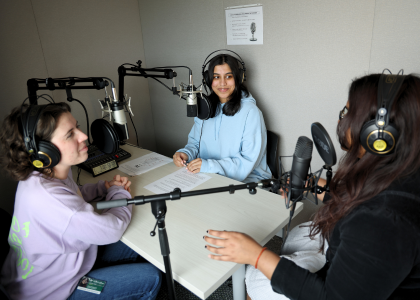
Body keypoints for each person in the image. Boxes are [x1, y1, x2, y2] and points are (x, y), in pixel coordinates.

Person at [203, 73, 420, 299]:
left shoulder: (384, 223)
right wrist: (312, 187)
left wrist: (255, 255)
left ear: (376, 135)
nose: (341, 117)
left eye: (348, 111)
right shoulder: (406, 164)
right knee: (299, 233)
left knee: (256, 278)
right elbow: (363, 199)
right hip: (362, 259)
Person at [0, 102, 162, 299]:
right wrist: (119, 193)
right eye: (70, 134)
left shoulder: (42, 174)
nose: (83, 136)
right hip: (53, 292)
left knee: (141, 234)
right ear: (45, 151)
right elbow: (113, 228)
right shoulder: (53, 201)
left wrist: (104, 187)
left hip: (56, 268)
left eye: (77, 127)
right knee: (151, 277)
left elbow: (74, 194)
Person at [173, 52, 272, 183]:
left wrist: (209, 166)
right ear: (208, 80)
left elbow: (248, 160)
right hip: (209, 175)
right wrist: (185, 153)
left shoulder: (251, 112)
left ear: (238, 78)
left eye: (228, 76)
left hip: (246, 181)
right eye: (216, 77)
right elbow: (195, 144)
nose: (222, 83)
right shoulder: (204, 109)